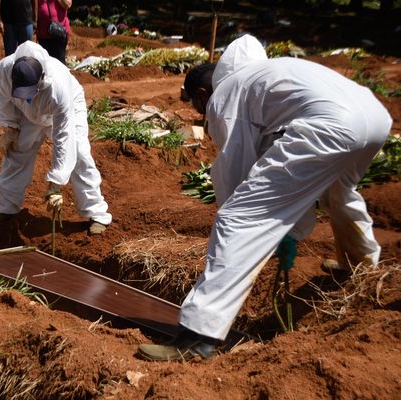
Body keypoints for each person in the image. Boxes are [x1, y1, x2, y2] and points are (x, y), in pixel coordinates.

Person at [137, 34, 392, 361]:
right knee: (338, 191)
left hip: (331, 125)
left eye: (197, 106)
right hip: (373, 118)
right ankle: (362, 266)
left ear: (203, 94)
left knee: (237, 219)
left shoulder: (226, 95)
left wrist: (271, 229)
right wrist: (291, 229)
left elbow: (236, 173)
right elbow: (275, 162)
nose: (201, 113)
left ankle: (197, 337)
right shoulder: (272, 73)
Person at [0, 40, 112, 235]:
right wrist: (10, 126)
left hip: (64, 109)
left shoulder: (58, 89)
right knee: (17, 150)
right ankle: (6, 207)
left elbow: (63, 136)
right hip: (27, 112)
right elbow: (2, 97)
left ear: (42, 77)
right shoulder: (5, 69)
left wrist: (56, 182)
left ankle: (96, 213)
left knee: (79, 153)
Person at [37, 0, 71, 64]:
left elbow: (68, 4)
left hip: (58, 33)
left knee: (59, 62)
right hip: (43, 34)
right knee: (45, 63)